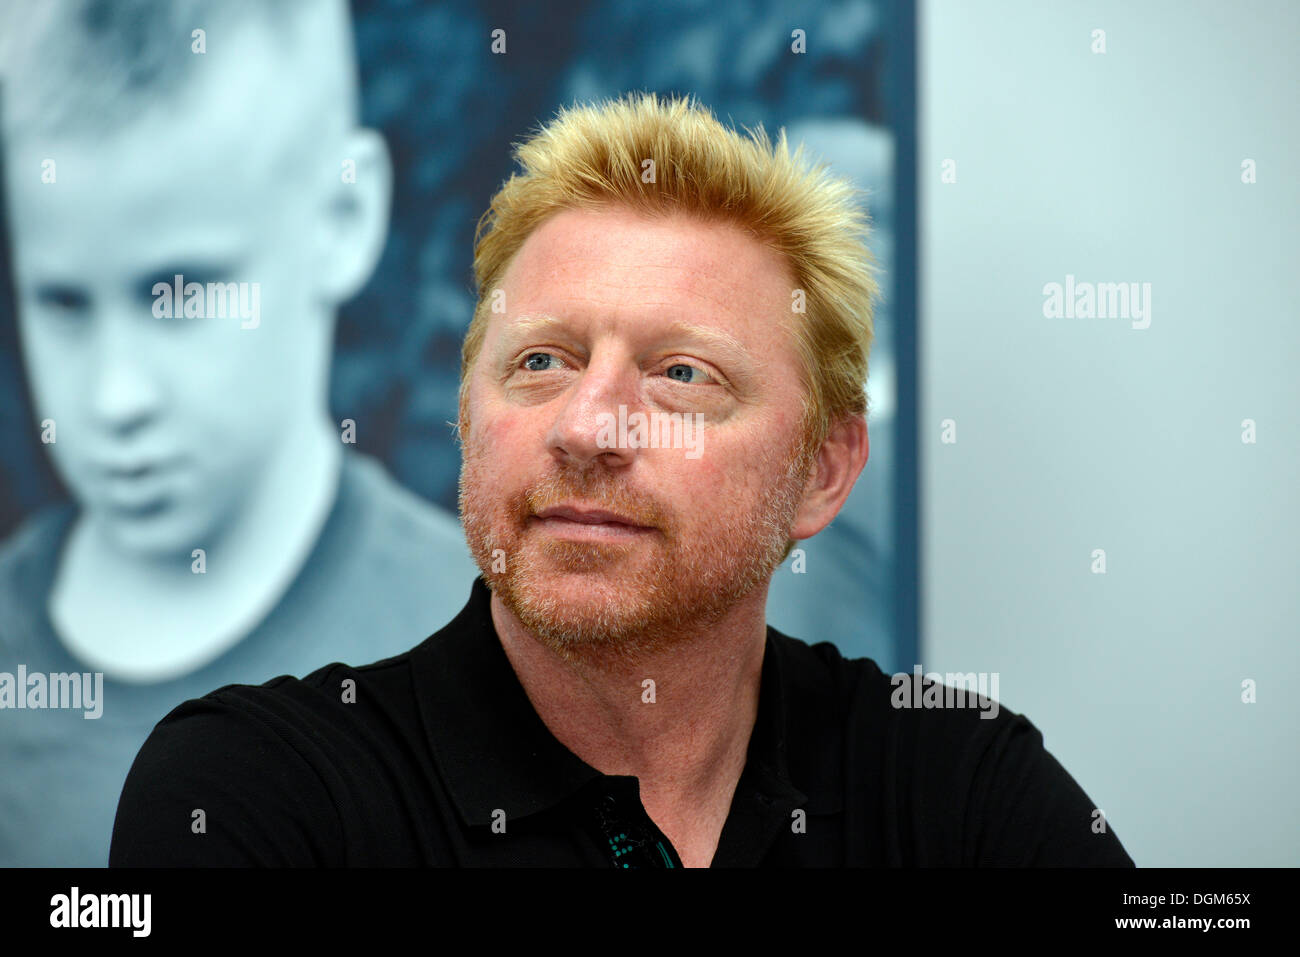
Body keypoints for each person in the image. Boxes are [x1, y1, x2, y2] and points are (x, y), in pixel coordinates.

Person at [110, 92, 1134, 867]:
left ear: (823, 471)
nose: (587, 427)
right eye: (540, 362)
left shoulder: (950, 781)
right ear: (470, 423)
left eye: (682, 375)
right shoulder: (262, 792)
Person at [0, 0, 476, 866]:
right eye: (63, 302)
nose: (115, 395)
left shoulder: (490, 662)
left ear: (342, 216)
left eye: (177, 292)